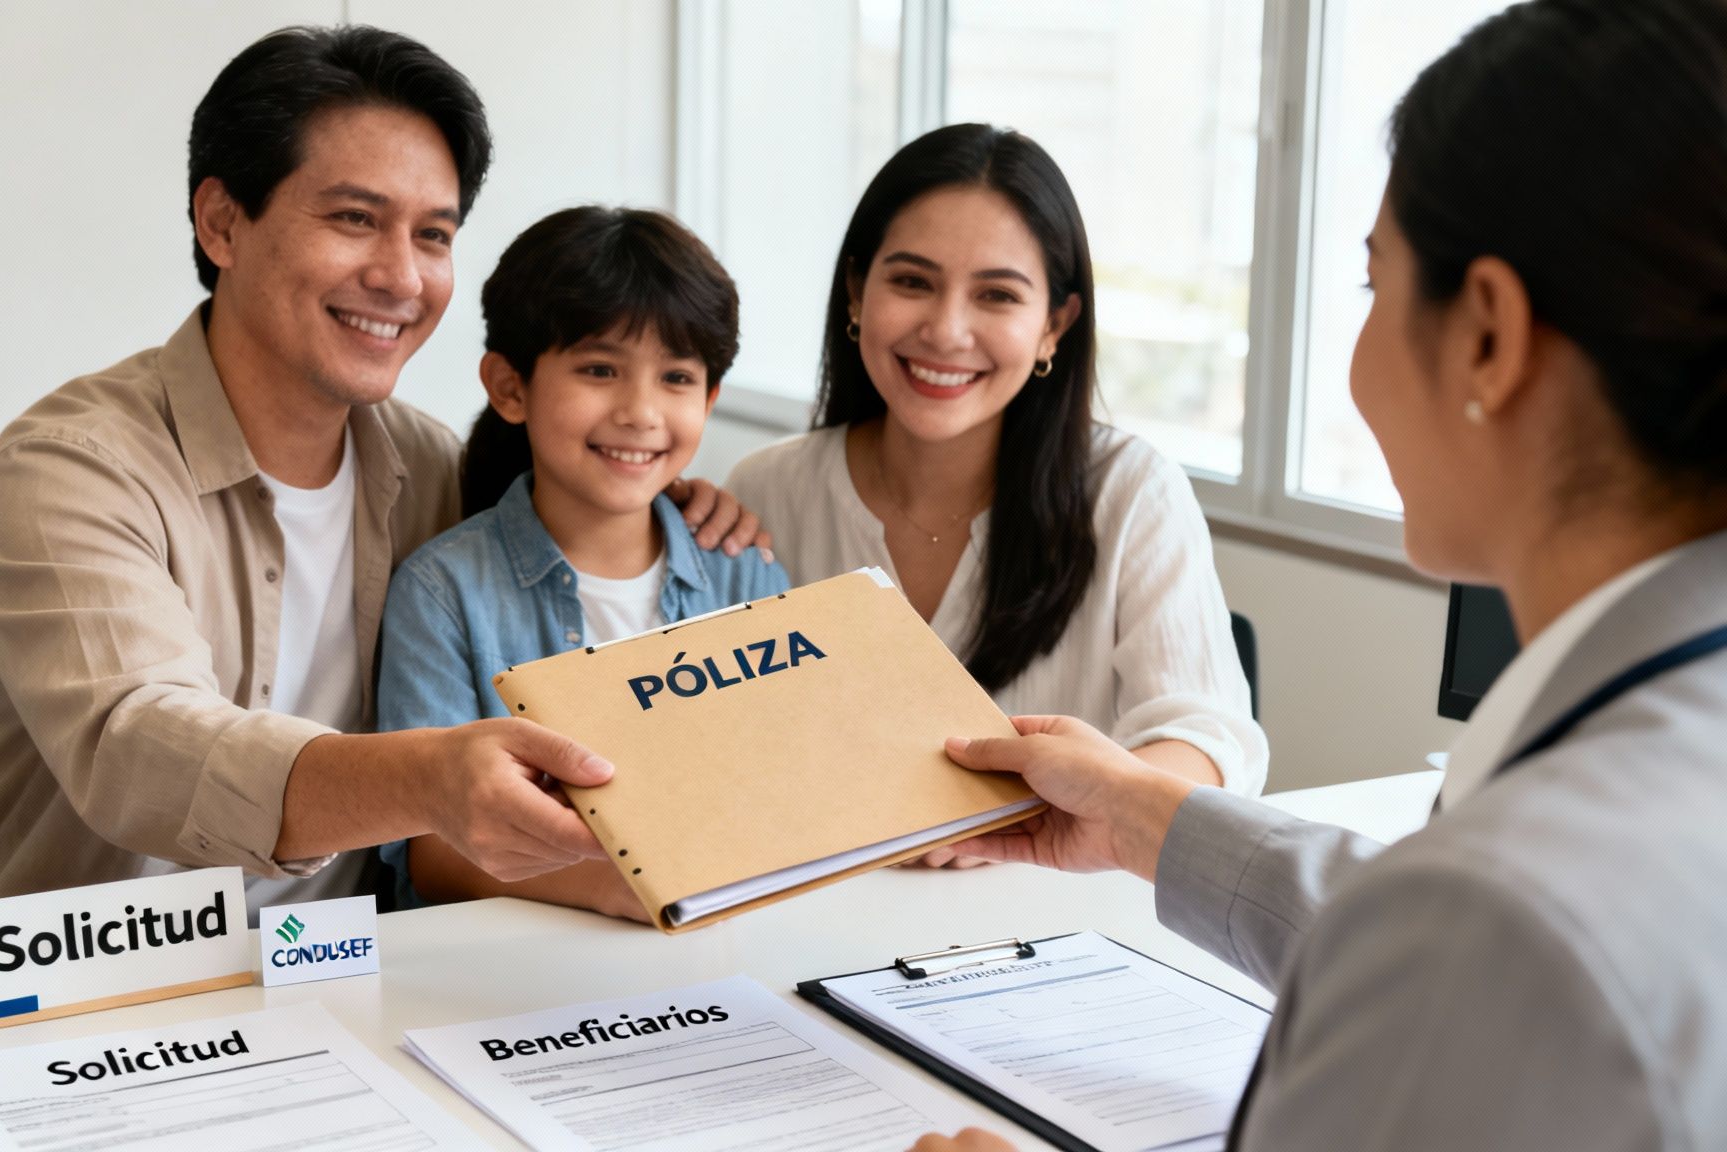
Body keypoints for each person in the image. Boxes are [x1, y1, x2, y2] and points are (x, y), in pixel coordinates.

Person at [913, 0, 1727, 1147]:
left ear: (1484, 334)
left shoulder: (1504, 910)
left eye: (1369, 284)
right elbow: (1449, 966)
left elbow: (1473, 951)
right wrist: (1143, 814)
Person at [0, 26, 763, 961]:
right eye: (354, 219)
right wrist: (430, 778)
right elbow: (138, 747)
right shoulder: (71, 467)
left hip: (337, 976)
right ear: (223, 223)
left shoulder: (427, 466)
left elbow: (557, 521)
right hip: (69, 987)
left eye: (433, 235)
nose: (401, 277)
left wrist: (665, 495)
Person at [726, 124, 1267, 831]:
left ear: (1055, 325)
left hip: (1053, 913)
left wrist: (1044, 814)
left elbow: (1212, 744)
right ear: (857, 292)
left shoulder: (1133, 492)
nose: (947, 331)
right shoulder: (766, 491)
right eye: (912, 282)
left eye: (998, 296)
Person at [373, 207, 789, 920]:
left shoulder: (743, 574)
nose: (641, 412)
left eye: (677, 378)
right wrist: (632, 889)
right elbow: (429, 854)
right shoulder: (443, 591)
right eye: (600, 369)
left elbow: (792, 785)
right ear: (509, 387)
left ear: (711, 398)